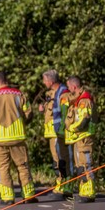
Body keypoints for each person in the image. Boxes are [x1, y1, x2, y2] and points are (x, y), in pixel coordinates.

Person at [0, 71, 36, 205]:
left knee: (2, 168)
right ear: (7, 80)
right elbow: (29, 114)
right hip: (17, 138)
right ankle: (28, 195)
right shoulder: (19, 95)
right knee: (23, 167)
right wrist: (22, 124)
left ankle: (7, 198)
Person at [39, 69, 71, 198]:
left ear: (51, 81)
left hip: (58, 132)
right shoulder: (53, 93)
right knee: (57, 159)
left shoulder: (62, 93)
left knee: (60, 160)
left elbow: (63, 113)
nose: (43, 82)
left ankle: (62, 186)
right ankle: (62, 185)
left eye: (45, 80)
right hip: (52, 133)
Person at [65, 75, 96, 202]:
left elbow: (84, 120)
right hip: (78, 139)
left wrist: (71, 128)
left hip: (84, 138)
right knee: (80, 166)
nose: (68, 89)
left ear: (74, 86)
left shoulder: (84, 100)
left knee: (86, 164)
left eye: (68, 86)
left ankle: (89, 192)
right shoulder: (78, 100)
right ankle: (84, 191)